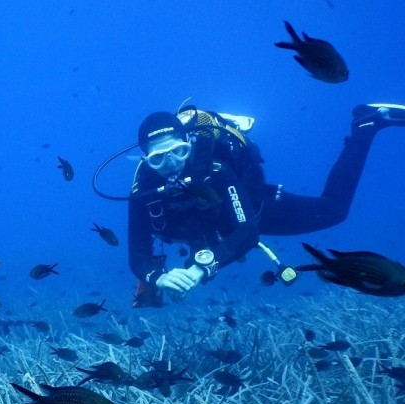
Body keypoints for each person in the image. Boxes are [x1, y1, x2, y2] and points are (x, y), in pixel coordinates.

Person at [128, 103, 405, 307]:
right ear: (146, 159)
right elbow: (137, 254)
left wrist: (199, 270)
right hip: (209, 231)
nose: (172, 163)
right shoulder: (143, 192)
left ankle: (366, 124)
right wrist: (158, 278)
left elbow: (247, 234)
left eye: (179, 151)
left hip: (254, 208)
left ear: (188, 143)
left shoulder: (215, 170)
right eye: (159, 158)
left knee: (334, 210)